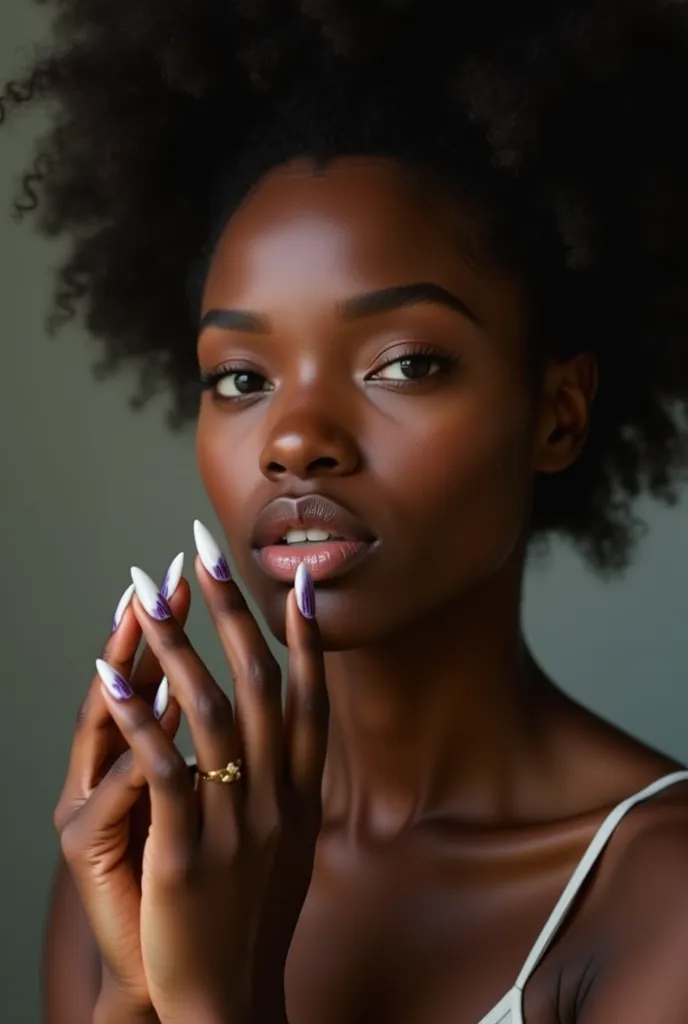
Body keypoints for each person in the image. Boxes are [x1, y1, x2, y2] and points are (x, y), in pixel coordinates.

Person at [4, 0, 688, 1021]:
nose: (295, 438)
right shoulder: (142, 854)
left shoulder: (660, 895)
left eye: (404, 362)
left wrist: (211, 1001)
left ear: (557, 413)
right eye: (240, 378)